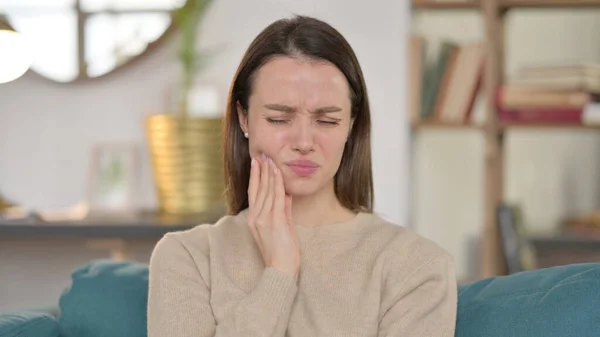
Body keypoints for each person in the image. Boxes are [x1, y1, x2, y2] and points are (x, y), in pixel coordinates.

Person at [147, 15, 457, 337]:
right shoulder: (188, 257)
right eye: (280, 119)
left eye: (327, 121)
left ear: (352, 125)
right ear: (244, 119)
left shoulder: (417, 266)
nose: (304, 143)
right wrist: (279, 272)